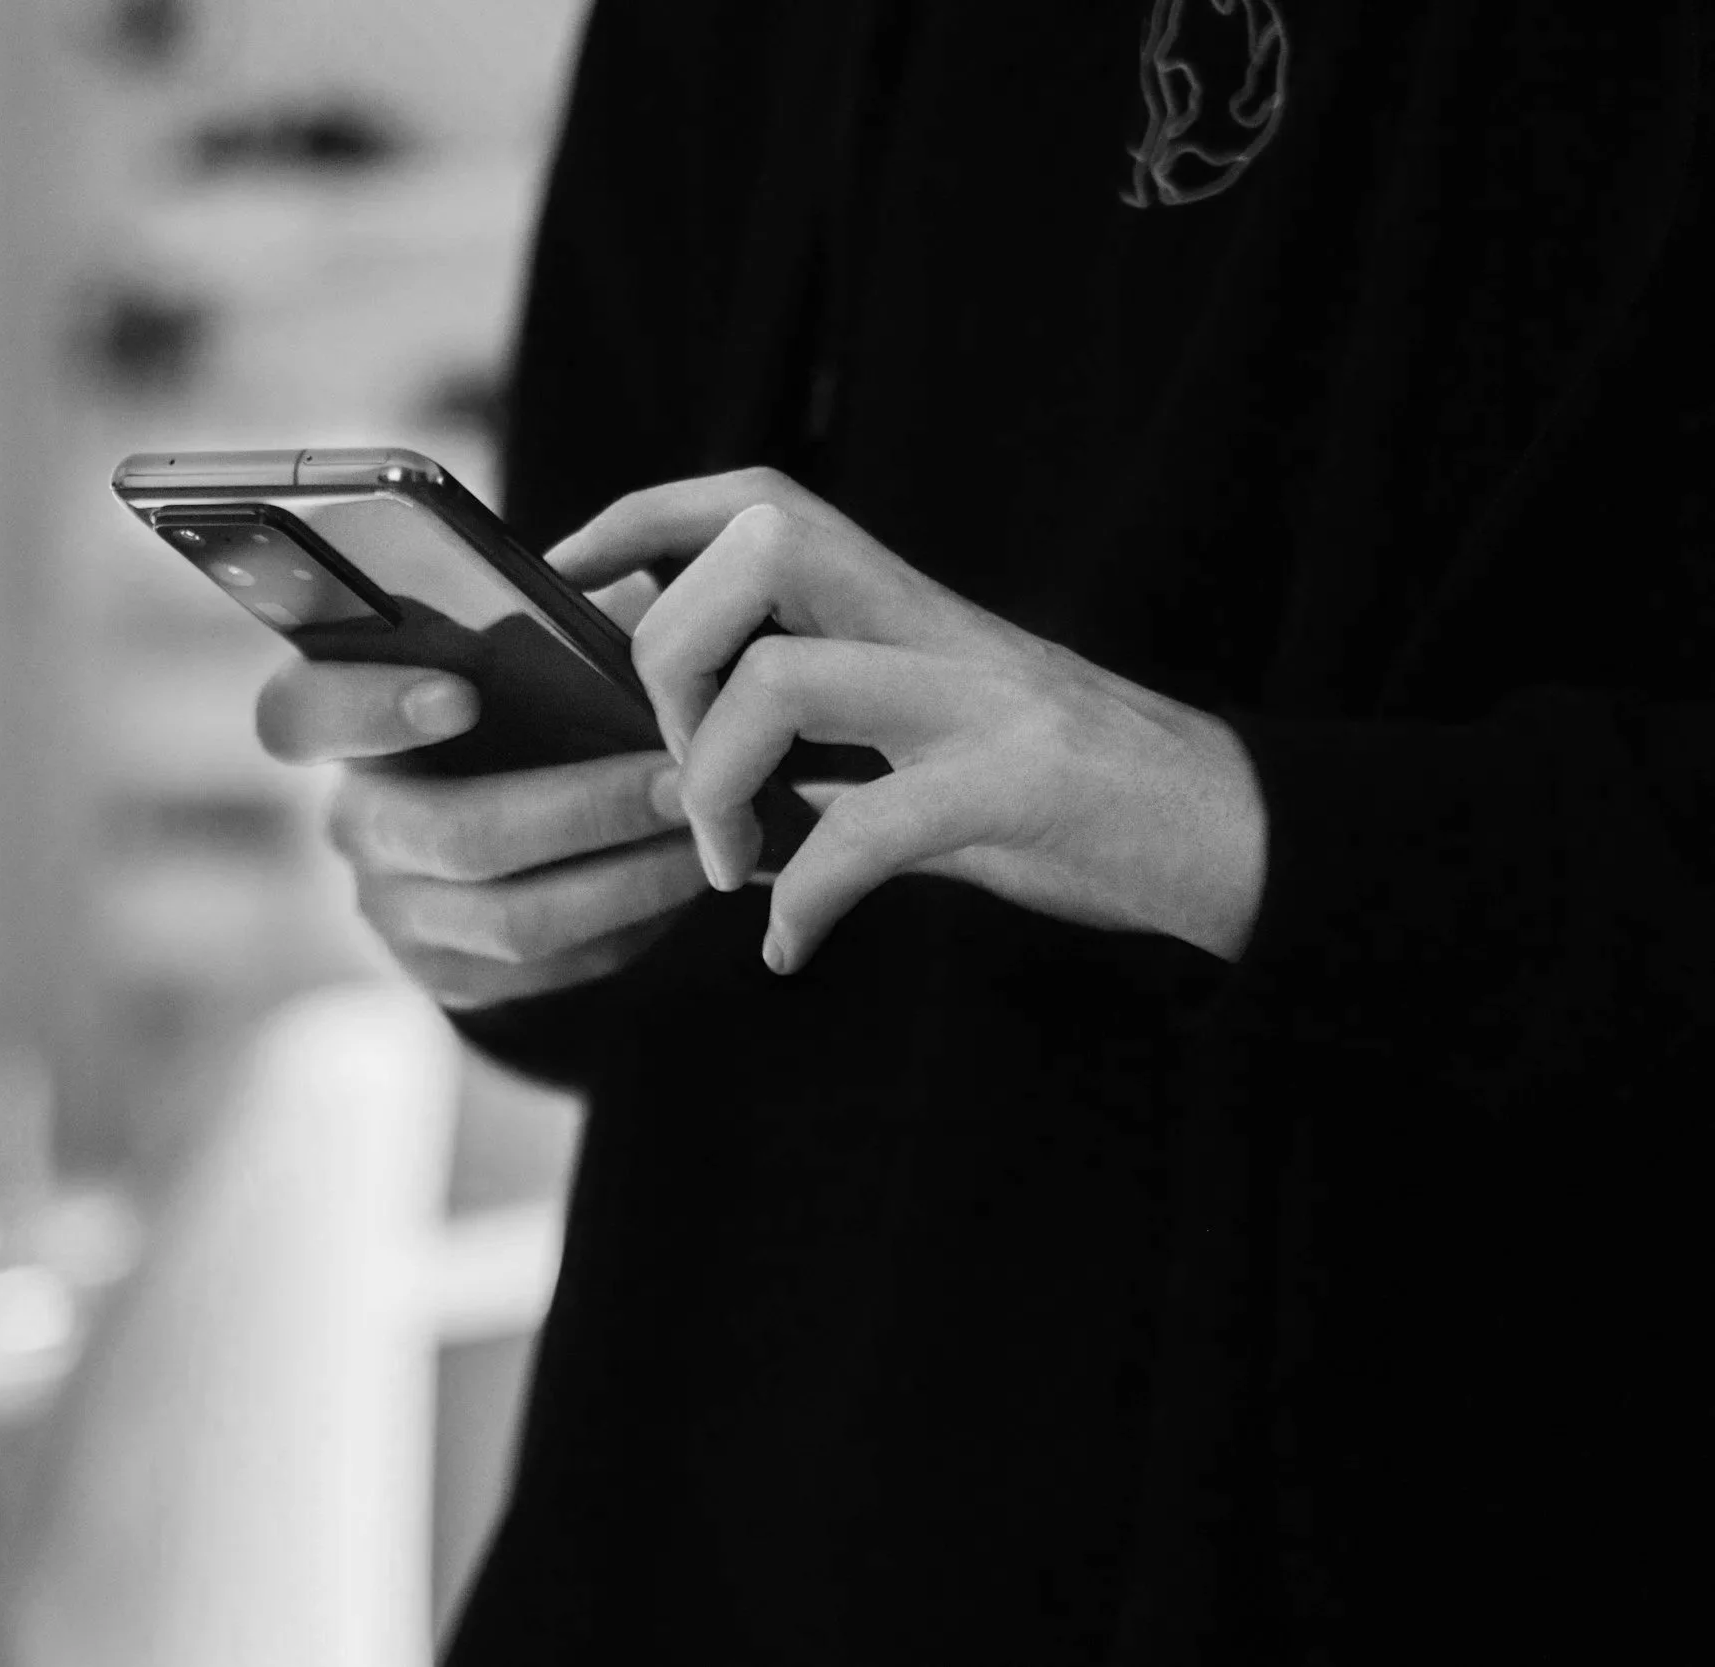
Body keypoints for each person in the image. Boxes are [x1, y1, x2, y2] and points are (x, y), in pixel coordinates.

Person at [258, 2, 1714, 1659]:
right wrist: (502, 884)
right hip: (704, 1504)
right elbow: (665, 878)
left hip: (1435, 1497)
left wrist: (1215, 812)